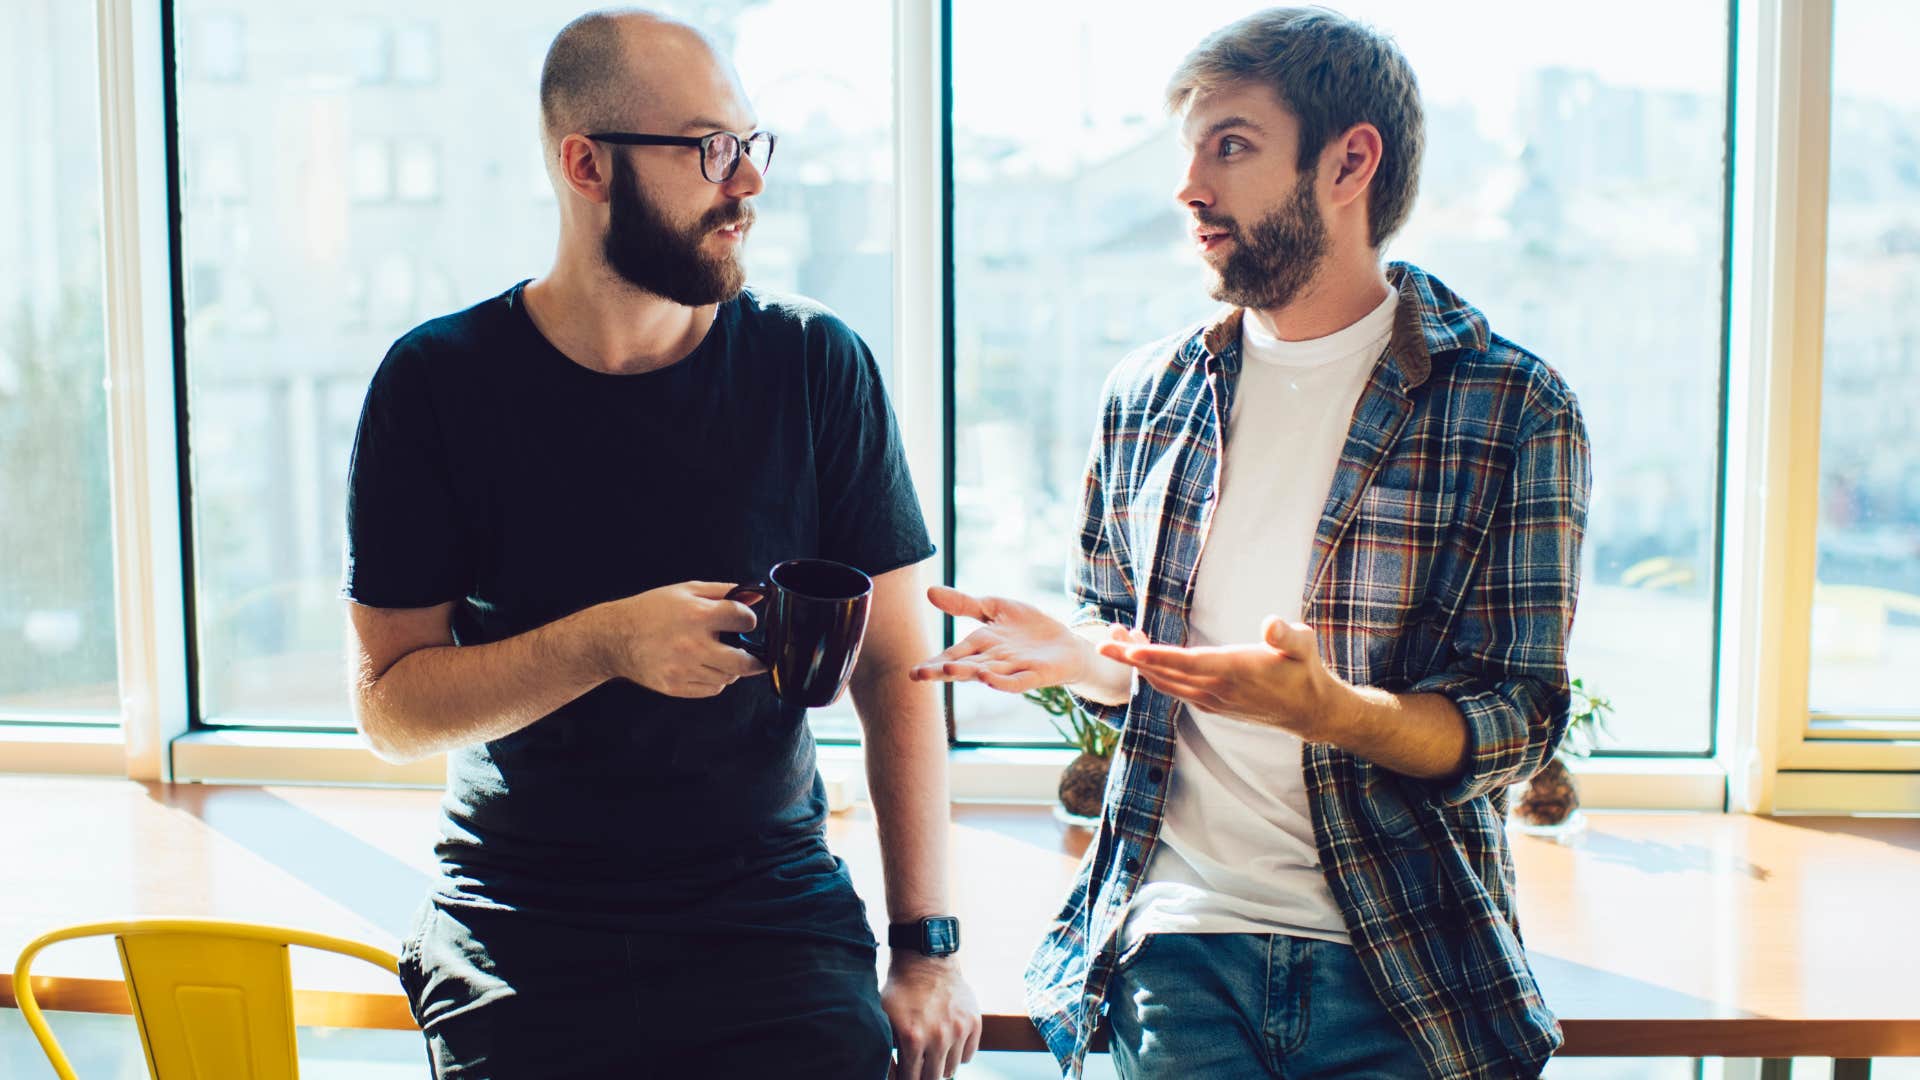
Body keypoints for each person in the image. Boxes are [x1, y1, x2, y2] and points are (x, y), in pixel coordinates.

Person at [912, 8, 1591, 1078]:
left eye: (1229, 145)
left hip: (1405, 959)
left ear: (1349, 162)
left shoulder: (1513, 406)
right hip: (1177, 942)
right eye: (1189, 148)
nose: (1188, 185)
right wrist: (1087, 657)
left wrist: (1334, 714)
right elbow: (1135, 657)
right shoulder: (1146, 393)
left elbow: (1519, 721)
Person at [342, 9, 979, 1078]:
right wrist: (606, 644)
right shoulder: (436, 384)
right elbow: (391, 708)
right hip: (519, 923)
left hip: (768, 914)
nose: (748, 184)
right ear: (587, 165)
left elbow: (898, 667)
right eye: (708, 150)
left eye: (749, 144)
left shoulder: (815, 366)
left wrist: (928, 949)